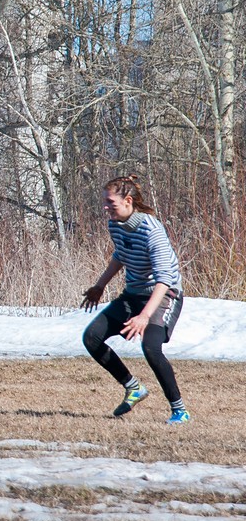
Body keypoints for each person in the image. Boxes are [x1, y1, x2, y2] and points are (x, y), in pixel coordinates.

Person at [82, 175, 189, 424]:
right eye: (104, 202)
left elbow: (164, 279)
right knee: (92, 337)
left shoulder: (152, 230)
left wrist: (144, 316)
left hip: (164, 295)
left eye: (110, 202)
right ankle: (133, 388)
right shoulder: (115, 224)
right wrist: (99, 286)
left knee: (151, 348)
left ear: (128, 201)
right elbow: (121, 255)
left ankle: (179, 410)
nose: (105, 207)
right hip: (133, 294)